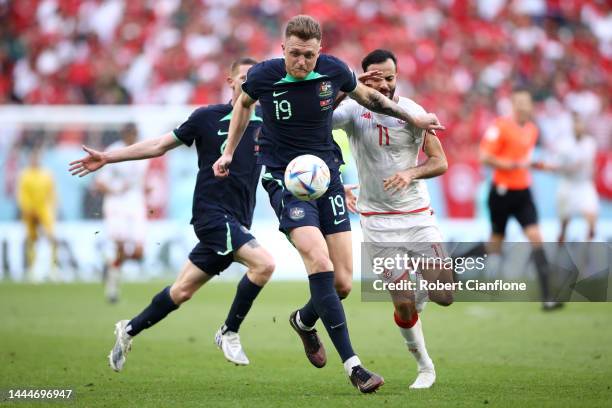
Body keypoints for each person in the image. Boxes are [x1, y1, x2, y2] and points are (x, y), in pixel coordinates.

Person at [212, 15, 443, 393]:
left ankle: (303, 321)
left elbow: (369, 98)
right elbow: (243, 105)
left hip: (327, 177)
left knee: (342, 283)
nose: (301, 62)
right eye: (294, 54)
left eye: (308, 55)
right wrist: (229, 152)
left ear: (319, 51)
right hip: (285, 179)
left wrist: (412, 115)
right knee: (319, 262)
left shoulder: (333, 70)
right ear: (282, 49)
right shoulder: (264, 75)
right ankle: (354, 367)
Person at [69, 57, 275, 370]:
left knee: (181, 291)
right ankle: (229, 331)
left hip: (238, 218)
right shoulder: (206, 117)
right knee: (264, 265)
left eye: (254, 78)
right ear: (230, 81)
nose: (249, 83)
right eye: (243, 77)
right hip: (211, 214)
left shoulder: (267, 123)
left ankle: (128, 329)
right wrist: (109, 158)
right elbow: (159, 145)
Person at [333, 49, 452, 389]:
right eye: (375, 78)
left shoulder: (414, 112)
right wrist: (348, 87)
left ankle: (422, 291)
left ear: (397, 77)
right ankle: (425, 366)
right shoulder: (354, 110)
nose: (383, 84)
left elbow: (439, 161)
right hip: (377, 220)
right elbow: (318, 120)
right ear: (363, 77)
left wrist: (411, 173)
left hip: (416, 216)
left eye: (389, 77)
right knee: (402, 304)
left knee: (444, 295)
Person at [479, 87, 561, 311]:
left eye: (527, 102)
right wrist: (513, 165)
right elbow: (484, 156)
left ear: (531, 105)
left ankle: (548, 297)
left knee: (536, 237)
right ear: (513, 105)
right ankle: (456, 265)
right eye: (519, 102)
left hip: (523, 192)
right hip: (501, 192)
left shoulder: (532, 130)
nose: (523, 106)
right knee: (495, 243)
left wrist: (542, 166)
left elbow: (524, 160)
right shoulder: (500, 127)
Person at [95, 123, 148, 303]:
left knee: (139, 252)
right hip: (116, 204)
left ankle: (111, 266)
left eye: (135, 133)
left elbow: (141, 180)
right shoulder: (113, 151)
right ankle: (112, 290)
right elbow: (99, 183)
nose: (133, 136)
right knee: (120, 246)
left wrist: (146, 188)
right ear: (124, 134)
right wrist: (116, 190)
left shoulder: (143, 151)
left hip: (135, 203)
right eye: (130, 133)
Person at [17, 148, 59, 281]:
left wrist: (52, 208)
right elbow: (22, 194)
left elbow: (52, 193)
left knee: (51, 237)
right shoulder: (25, 175)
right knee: (32, 239)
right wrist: (28, 209)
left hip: (45, 210)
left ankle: (53, 268)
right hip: (30, 211)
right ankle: (32, 268)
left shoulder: (47, 174)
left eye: (37, 158)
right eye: (33, 158)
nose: (35, 160)